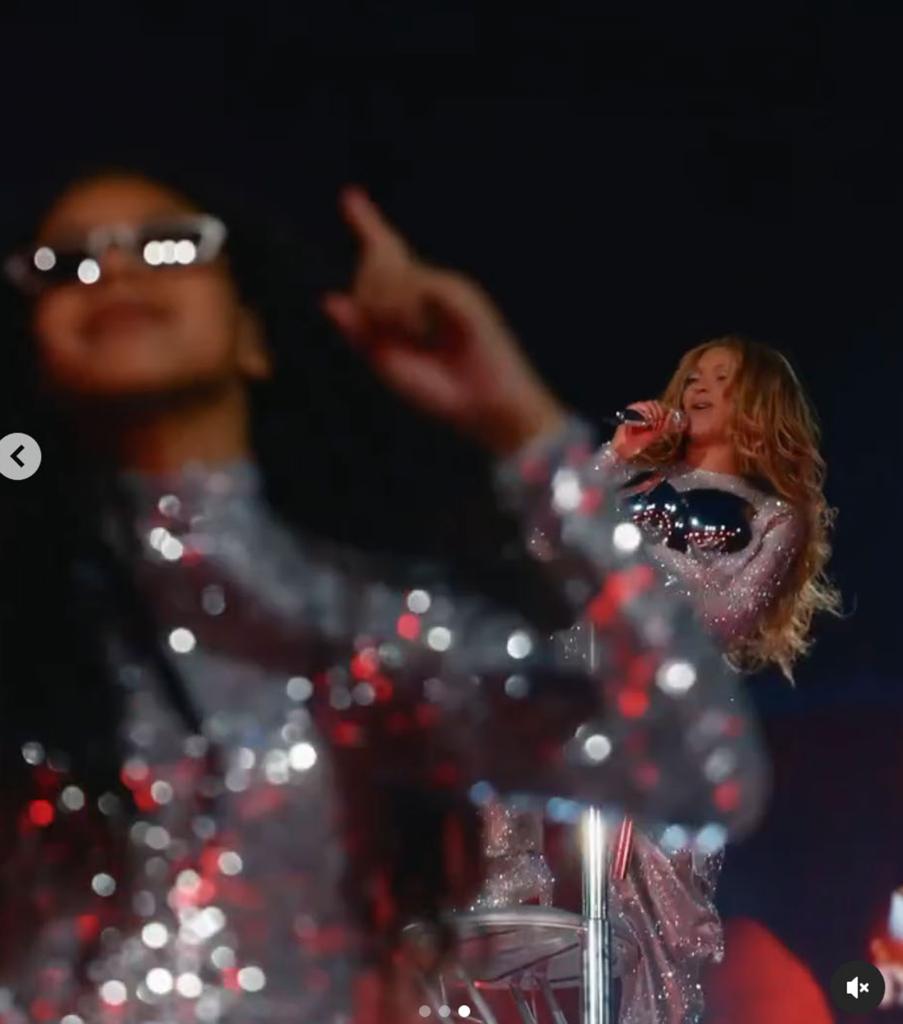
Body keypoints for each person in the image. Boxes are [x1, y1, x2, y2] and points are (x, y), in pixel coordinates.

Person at [0, 170, 764, 1024]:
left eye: (166, 245)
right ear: (38, 347)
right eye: (67, 263)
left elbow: (706, 773)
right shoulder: (28, 639)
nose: (115, 272)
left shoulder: (363, 625)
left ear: (252, 335)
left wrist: (522, 427)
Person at [578, 338, 839, 1022]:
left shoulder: (772, 515)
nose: (698, 386)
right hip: (591, 683)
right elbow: (545, 548)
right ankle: (510, 874)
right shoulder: (629, 486)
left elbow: (725, 617)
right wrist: (617, 459)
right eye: (693, 374)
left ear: (756, 406)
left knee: (658, 927)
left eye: (721, 379)